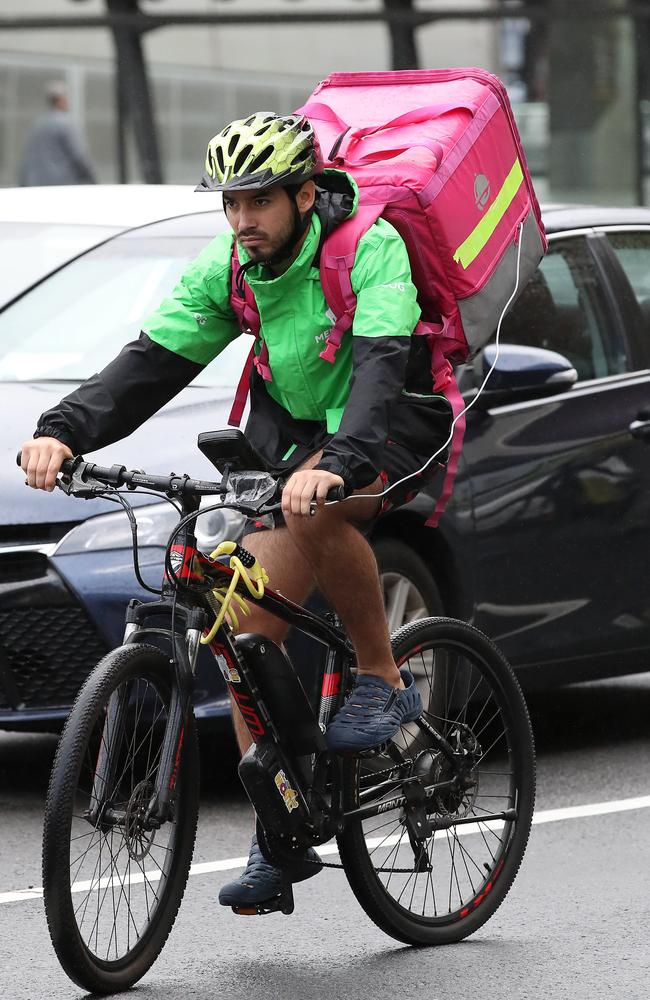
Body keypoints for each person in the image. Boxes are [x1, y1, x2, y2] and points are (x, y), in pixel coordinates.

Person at [20, 112, 452, 909]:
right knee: (245, 632)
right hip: (294, 431)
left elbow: (381, 366)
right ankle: (279, 832)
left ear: (304, 191)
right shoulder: (232, 269)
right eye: (230, 203)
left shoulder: (369, 247)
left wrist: (341, 462)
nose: (241, 219)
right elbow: (151, 363)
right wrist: (62, 431)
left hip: (394, 417)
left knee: (323, 511)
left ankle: (383, 674)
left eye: (258, 200)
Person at [19, 81, 96, 187]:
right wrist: (92, 179)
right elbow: (79, 155)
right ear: (61, 100)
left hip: (36, 183)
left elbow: (28, 159)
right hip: (60, 184)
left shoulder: (38, 124)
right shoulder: (65, 123)